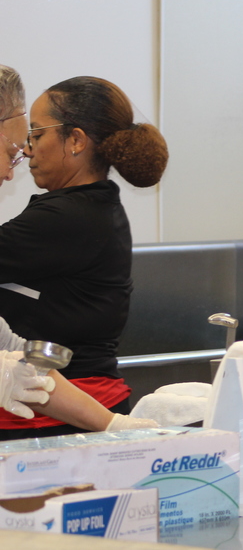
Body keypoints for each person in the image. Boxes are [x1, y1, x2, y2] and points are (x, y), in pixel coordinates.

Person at [0, 73, 168, 438]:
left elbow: (17, 350)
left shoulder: (70, 218)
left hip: (67, 409)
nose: (25, 150)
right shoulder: (86, 209)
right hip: (55, 395)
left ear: (75, 140)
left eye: (37, 134)